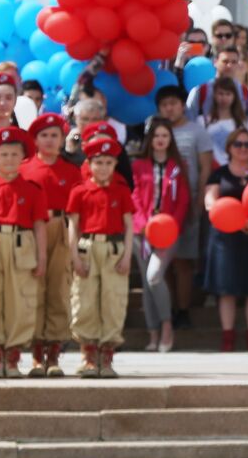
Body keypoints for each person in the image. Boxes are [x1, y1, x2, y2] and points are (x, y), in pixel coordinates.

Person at [0, 127, 47, 378]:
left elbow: (39, 226)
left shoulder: (32, 190)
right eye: (3, 154)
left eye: (15, 154)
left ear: (23, 157)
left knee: (20, 300)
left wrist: (42, 257)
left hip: (21, 245)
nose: (9, 160)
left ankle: (12, 359)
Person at [66, 136, 134, 378]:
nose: (103, 167)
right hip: (88, 247)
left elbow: (129, 225)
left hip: (114, 250)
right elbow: (73, 226)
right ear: (89, 163)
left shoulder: (121, 191)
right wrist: (74, 256)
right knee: (84, 300)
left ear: (115, 165)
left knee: (113, 301)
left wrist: (128, 256)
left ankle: (106, 357)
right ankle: (88, 355)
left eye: (108, 162)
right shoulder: (80, 191)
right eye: (98, 162)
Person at [203, 128, 248, 352]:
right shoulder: (220, 174)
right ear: (229, 148)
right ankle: (228, 336)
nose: (243, 149)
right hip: (226, 237)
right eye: (238, 144)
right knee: (227, 288)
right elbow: (209, 201)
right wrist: (233, 219)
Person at [20, 113, 78, 377]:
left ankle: (53, 352)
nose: (50, 140)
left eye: (55, 135)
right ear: (34, 140)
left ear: (63, 139)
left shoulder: (71, 171)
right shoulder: (24, 169)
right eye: (44, 135)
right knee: (34, 289)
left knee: (58, 288)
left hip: (63, 228)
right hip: (33, 230)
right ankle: (35, 353)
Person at [153, 85, 212, 331]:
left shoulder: (197, 131)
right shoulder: (155, 132)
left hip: (187, 205)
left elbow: (205, 167)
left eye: (173, 103)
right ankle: (167, 309)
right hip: (160, 208)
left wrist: (199, 201)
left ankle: (183, 310)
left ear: (182, 105)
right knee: (163, 262)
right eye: (164, 104)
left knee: (184, 262)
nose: (169, 108)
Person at [131, 119, 188, 354]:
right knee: (146, 282)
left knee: (155, 276)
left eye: (165, 135)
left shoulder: (178, 166)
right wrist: (144, 223)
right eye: (157, 136)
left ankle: (167, 326)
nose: (161, 140)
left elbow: (183, 200)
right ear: (150, 140)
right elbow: (134, 195)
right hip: (142, 231)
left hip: (167, 231)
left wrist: (169, 224)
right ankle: (152, 333)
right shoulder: (139, 165)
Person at [204, 77, 248, 160]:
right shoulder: (204, 121)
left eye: (228, 94)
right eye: (221, 94)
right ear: (214, 95)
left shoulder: (241, 122)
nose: (224, 98)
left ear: (234, 96)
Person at [187, 45, 248, 120]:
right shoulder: (199, 92)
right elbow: (190, 123)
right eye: (225, 61)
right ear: (215, 62)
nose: (229, 65)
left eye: (234, 62)